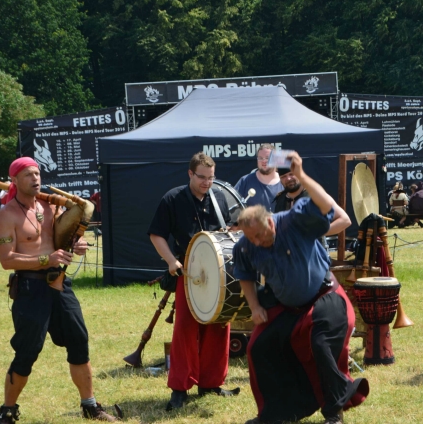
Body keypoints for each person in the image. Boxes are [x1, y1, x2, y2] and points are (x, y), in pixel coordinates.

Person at [233, 151, 368, 424]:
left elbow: (324, 206)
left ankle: (334, 412)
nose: (257, 242)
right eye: (251, 238)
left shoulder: (295, 219)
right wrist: (254, 305)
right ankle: (274, 414)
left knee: (320, 344)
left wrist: (303, 175)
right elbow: (245, 274)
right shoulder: (246, 244)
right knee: (258, 347)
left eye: (260, 235)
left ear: (270, 221)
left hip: (324, 296)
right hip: (287, 306)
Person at [0, 157, 117, 423]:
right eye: (28, 174)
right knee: (27, 350)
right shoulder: (6, 215)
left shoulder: (50, 206)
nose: (35, 178)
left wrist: (78, 242)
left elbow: (65, 235)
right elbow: (6, 260)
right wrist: (44, 260)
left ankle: (90, 405)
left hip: (60, 284)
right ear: (14, 180)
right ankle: (7, 411)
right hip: (30, 287)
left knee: (78, 340)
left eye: (37, 173)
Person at [148, 152, 239, 411]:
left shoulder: (219, 197)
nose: (207, 182)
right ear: (190, 173)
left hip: (219, 274)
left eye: (211, 178)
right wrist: (170, 261)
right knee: (186, 331)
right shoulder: (173, 199)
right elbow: (156, 234)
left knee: (219, 326)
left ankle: (210, 383)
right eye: (202, 177)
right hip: (188, 273)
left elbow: (228, 233)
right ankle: (180, 388)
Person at [235, 144, 284, 211]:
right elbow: (233, 207)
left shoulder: (285, 182)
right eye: (260, 158)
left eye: (267, 158)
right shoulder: (245, 181)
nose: (264, 161)